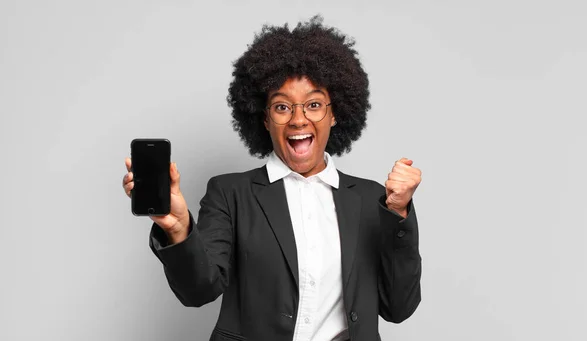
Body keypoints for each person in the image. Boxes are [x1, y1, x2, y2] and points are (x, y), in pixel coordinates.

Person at [122, 15, 422, 341]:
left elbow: (399, 307)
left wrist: (399, 215)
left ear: (335, 114)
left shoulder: (369, 198)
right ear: (264, 119)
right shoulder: (230, 193)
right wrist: (178, 229)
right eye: (282, 107)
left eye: (314, 104)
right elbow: (198, 291)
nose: (298, 119)